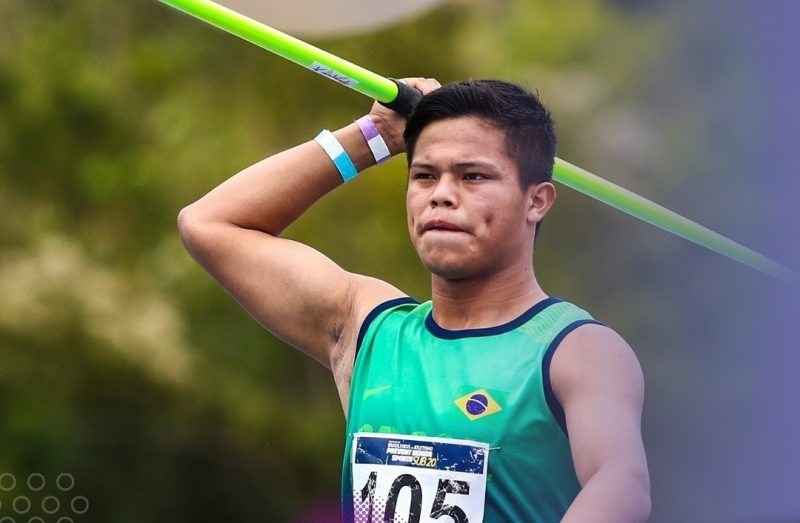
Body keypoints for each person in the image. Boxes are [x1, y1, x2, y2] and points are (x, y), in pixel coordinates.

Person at [177, 78, 651, 522]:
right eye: (424, 175)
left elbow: (622, 483)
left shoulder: (579, 350)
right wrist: (374, 136)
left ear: (537, 200)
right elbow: (209, 224)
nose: (441, 195)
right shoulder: (367, 329)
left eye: (472, 176)